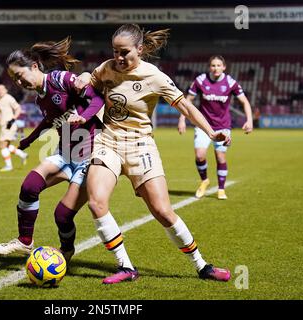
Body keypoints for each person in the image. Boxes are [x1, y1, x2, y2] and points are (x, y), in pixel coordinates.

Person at [74, 24, 231, 284]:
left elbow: (187, 107)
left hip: (140, 146)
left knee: (162, 211)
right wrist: (84, 77)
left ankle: (202, 265)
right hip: (108, 141)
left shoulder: (154, 76)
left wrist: (212, 132)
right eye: (115, 51)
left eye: (124, 52)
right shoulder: (107, 67)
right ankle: (125, 267)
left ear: (140, 49)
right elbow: (90, 83)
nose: (119, 58)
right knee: (96, 202)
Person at [0, 37, 104, 262]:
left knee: (62, 216)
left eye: (20, 75)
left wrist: (83, 117)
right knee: (29, 186)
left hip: (90, 154)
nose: (18, 82)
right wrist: (30, 140)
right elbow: (49, 121)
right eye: (14, 79)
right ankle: (25, 242)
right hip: (65, 153)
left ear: (33, 66)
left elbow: (97, 99)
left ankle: (67, 250)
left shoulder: (61, 79)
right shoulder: (40, 99)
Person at [178, 55, 253, 200]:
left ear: (224, 67)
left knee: (220, 157)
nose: (216, 68)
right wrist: (182, 119)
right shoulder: (200, 80)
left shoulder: (230, 82)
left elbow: (245, 101)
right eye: (213, 65)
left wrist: (249, 120)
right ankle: (204, 180)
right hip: (203, 125)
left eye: (219, 65)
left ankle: (221, 189)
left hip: (223, 126)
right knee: (200, 155)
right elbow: (188, 101)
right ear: (209, 67)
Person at [0, 84, 28, 172]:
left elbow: (18, 108)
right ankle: (22, 155)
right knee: (7, 145)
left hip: (9, 124)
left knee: (2, 145)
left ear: (6, 90)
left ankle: (9, 166)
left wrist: (13, 118)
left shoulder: (9, 98)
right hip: (3, 126)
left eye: (1, 89)